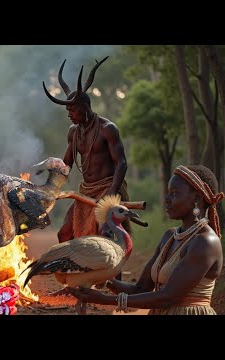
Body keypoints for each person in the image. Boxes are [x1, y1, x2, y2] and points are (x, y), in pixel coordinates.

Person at [68, 165, 224, 315]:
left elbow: (167, 297)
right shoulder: (169, 236)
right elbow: (141, 289)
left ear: (197, 197)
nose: (167, 199)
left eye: (174, 193)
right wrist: (99, 279)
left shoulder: (205, 242)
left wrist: (105, 299)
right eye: (168, 193)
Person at [43, 57, 130, 244]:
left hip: (108, 187)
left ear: (85, 107)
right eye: (67, 111)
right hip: (86, 191)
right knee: (64, 234)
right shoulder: (74, 132)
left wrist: (112, 193)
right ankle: (73, 271)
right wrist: (49, 186)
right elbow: (66, 165)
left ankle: (114, 274)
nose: (69, 114)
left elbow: (121, 163)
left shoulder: (107, 129)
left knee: (106, 233)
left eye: (72, 110)